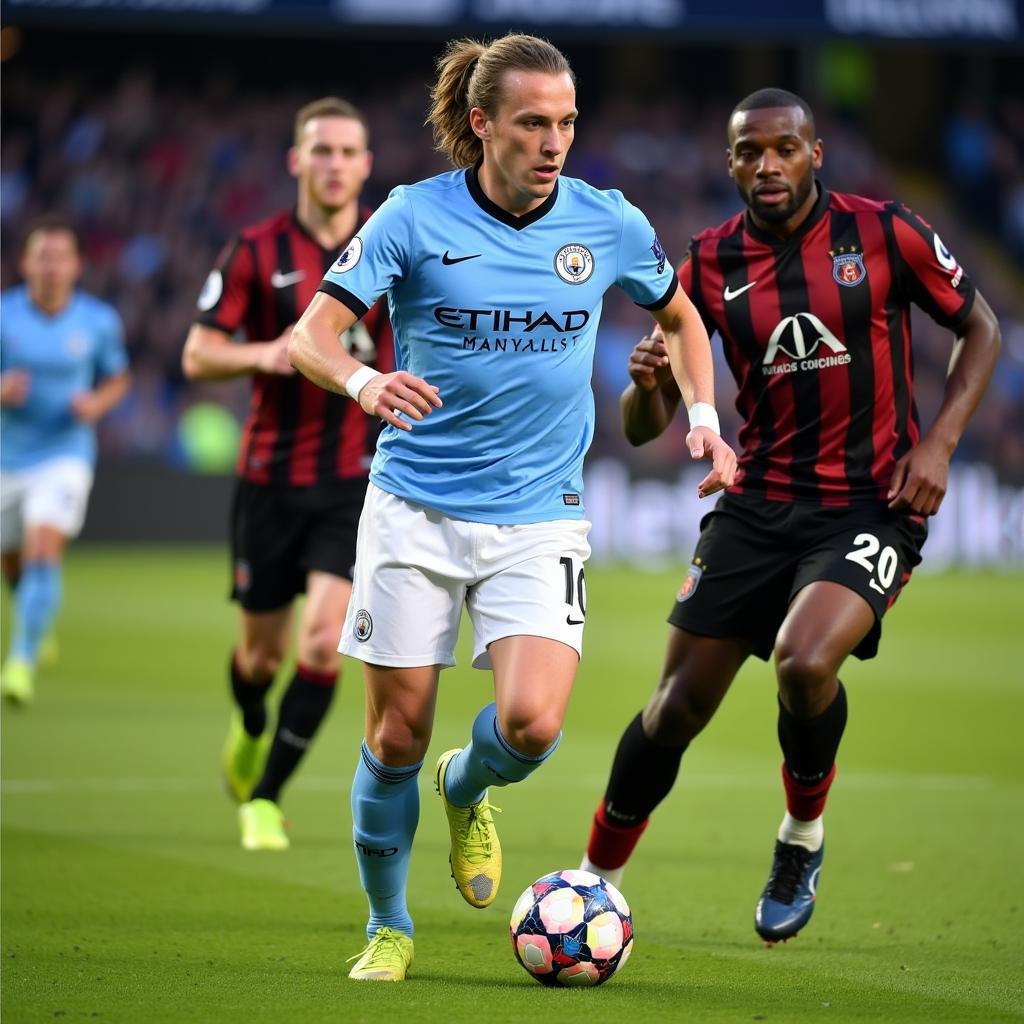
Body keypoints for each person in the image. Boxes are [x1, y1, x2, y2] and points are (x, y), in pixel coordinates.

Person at [288, 34, 737, 981]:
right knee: (394, 734)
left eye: (567, 122)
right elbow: (312, 335)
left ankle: (468, 783)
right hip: (413, 507)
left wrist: (702, 413)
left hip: (540, 513)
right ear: (483, 122)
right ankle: (389, 924)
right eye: (534, 122)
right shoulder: (412, 217)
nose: (554, 141)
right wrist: (366, 385)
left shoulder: (606, 222)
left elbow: (682, 317)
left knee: (531, 725)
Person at [580, 88, 1002, 944]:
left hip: (873, 505)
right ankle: (593, 881)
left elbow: (982, 327)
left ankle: (800, 837)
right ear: (730, 161)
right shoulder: (701, 265)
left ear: (815, 154)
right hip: (758, 504)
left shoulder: (886, 233)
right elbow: (639, 427)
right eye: (748, 152)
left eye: (783, 149)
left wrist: (941, 444)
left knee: (803, 663)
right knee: (673, 708)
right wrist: (653, 382)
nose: (766, 166)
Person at [181, 97, 392, 852]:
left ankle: (266, 798)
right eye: (321, 150)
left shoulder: (390, 249)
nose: (334, 164)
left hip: (352, 479)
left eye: (348, 152)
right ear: (297, 161)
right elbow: (198, 354)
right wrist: (262, 352)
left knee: (319, 643)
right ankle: (247, 720)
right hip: (269, 480)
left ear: (366, 165)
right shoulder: (254, 249)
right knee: (259, 658)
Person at [1, 216, 131, 705]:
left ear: (77, 266)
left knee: (41, 547)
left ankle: (20, 661)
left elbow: (118, 377)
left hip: (64, 455)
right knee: (12, 562)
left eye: (60, 257)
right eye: (42, 256)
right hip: (7, 457)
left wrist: (96, 404)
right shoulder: (5, 315)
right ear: (25, 262)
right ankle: (33, 619)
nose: (51, 267)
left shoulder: (97, 321)